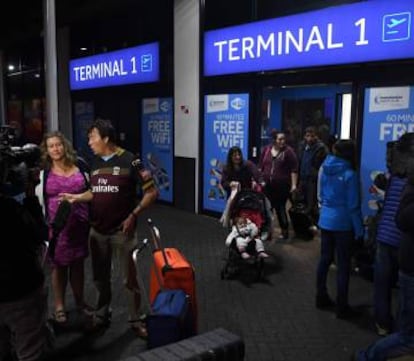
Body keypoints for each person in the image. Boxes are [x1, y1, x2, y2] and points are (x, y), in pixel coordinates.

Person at [61, 118, 159, 338]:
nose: (89, 142)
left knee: (129, 279)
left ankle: (136, 319)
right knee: (99, 277)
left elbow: (152, 192)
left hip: (121, 232)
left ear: (106, 138)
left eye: (92, 137)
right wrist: (76, 197)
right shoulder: (93, 162)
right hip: (97, 232)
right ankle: (102, 314)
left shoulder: (131, 161)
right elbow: (94, 193)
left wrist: (133, 215)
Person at [354, 171, 414, 361]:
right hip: (402, 241)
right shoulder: (406, 183)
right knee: (403, 291)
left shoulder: (395, 179)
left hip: (386, 236)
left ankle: (384, 324)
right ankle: (396, 333)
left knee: (382, 284)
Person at [35, 131, 91, 324]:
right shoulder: (44, 170)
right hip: (57, 229)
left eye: (58, 144)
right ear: (47, 150)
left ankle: (79, 301)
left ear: (64, 146)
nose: (55, 149)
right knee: (58, 268)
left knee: (78, 266)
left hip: (80, 226)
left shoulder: (81, 164)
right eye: (51, 146)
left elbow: (92, 189)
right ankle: (59, 306)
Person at [0, 155, 50, 360]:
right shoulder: (8, 209)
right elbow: (39, 234)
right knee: (29, 350)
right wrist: (30, 195)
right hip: (18, 291)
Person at [316, 139, 364, 319]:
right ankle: (341, 306)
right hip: (343, 224)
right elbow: (353, 206)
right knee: (343, 265)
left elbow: (320, 195)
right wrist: (359, 230)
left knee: (324, 260)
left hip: (326, 221)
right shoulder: (350, 174)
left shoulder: (324, 168)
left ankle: (320, 297)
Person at [259, 130, 298, 240]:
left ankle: (284, 232)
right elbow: (261, 166)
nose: (282, 141)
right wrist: (259, 179)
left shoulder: (288, 151)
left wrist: (293, 185)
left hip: (282, 187)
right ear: (274, 140)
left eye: (284, 139)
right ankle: (268, 232)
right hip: (267, 186)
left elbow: (294, 169)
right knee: (267, 209)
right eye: (280, 139)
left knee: (280, 208)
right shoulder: (266, 150)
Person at [297, 126, 329, 225]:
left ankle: (314, 224)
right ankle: (304, 223)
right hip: (302, 177)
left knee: (312, 203)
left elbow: (323, 164)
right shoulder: (302, 146)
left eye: (312, 136)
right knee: (302, 200)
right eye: (307, 136)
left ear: (316, 136)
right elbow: (300, 160)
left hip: (313, 179)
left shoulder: (321, 147)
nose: (309, 138)